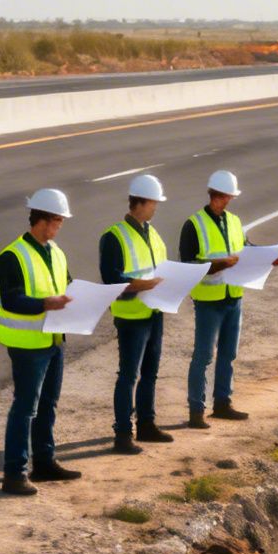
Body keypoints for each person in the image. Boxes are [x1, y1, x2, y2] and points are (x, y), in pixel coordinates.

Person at [0, 188, 84, 496]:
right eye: (58, 220)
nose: (60, 226)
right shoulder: (12, 255)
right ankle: (14, 473)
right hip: (28, 345)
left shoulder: (55, 252)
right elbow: (11, 300)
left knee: (48, 405)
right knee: (25, 408)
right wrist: (46, 303)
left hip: (54, 340)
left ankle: (44, 463)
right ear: (43, 220)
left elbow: (67, 285)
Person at [179, 169, 278, 428]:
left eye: (230, 197)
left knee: (229, 353)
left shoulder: (234, 222)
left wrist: (270, 256)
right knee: (203, 356)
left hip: (233, 296)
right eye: (226, 196)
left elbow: (246, 248)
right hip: (208, 300)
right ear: (215, 195)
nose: (228, 201)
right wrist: (217, 264)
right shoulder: (193, 224)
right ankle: (196, 410)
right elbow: (188, 264)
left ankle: (223, 403)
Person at [100, 173, 173, 453]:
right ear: (140, 202)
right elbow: (111, 280)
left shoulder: (152, 233)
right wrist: (142, 285)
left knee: (150, 373)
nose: (156, 207)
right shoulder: (114, 236)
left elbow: (160, 268)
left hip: (154, 312)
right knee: (128, 375)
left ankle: (146, 425)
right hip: (131, 318)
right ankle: (122, 435)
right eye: (154, 202)